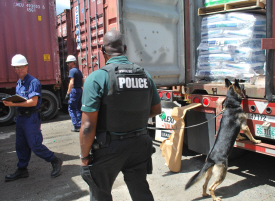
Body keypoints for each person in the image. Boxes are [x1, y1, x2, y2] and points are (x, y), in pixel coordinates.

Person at [79, 30, 161, 201]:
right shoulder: (145, 75)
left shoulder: (97, 78)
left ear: (103, 51)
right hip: (140, 144)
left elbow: (88, 127)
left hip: (109, 148)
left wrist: (84, 156)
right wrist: (132, 120)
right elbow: (156, 109)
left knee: (100, 194)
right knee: (140, 190)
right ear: (124, 49)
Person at [3, 54, 63, 181]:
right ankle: (22, 169)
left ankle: (55, 160)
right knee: (20, 145)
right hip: (20, 118)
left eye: (21, 67)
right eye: (16, 67)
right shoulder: (19, 83)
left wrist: (13, 103)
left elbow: (33, 102)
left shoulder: (33, 82)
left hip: (31, 118)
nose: (19, 70)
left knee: (35, 145)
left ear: (27, 67)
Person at [64, 55, 84, 132]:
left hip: (75, 90)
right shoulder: (79, 71)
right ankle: (80, 124)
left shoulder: (72, 71)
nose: (67, 64)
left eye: (68, 63)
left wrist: (68, 93)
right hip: (79, 90)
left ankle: (76, 125)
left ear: (73, 62)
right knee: (78, 108)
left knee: (72, 108)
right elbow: (83, 81)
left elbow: (71, 82)